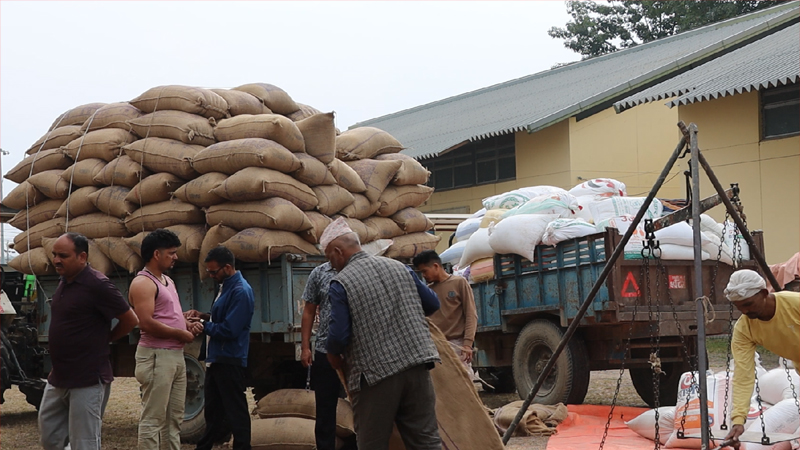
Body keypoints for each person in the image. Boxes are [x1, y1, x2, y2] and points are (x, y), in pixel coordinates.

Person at [322, 217, 442, 450]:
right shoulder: (400, 268)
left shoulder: (341, 282)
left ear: (338, 251)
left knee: (372, 443)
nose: (331, 265)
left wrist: (333, 355)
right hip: (417, 366)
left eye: (330, 258)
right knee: (426, 441)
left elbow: (338, 335)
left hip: (376, 375)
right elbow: (431, 304)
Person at [38, 233, 139, 450]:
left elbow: (130, 320)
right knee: (51, 439)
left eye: (63, 255)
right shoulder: (64, 282)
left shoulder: (98, 284)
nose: (56, 260)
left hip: (88, 377)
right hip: (59, 377)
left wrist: (107, 339)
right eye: (54, 255)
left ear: (82, 257)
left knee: (84, 443)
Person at [129, 229, 202, 450]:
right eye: (171, 253)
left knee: (174, 420)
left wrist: (186, 324)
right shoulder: (143, 283)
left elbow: (170, 316)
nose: (175, 257)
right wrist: (179, 333)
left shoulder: (167, 281)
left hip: (175, 356)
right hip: (156, 356)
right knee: (153, 419)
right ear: (156, 254)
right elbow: (146, 322)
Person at [185, 246, 255, 450]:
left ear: (227, 267)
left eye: (213, 271)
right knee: (213, 410)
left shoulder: (241, 291)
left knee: (235, 410)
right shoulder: (225, 285)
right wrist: (203, 316)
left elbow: (230, 329)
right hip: (217, 357)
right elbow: (222, 317)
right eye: (209, 271)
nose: (210, 275)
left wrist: (203, 326)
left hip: (230, 358)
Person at [722, 269, 799, 449]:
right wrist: (738, 420)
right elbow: (743, 376)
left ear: (765, 293)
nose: (744, 310)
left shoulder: (795, 304)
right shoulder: (744, 329)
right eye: (738, 306)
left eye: (748, 304)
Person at [412, 250, 478, 375]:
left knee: (462, 383)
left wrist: (467, 344)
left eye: (425, 271)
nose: (424, 275)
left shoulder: (459, 283)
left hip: (457, 345)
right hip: (436, 346)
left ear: (436, 266)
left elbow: (471, 314)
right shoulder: (428, 292)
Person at [300, 261, 343, 450]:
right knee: (325, 408)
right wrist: (305, 347)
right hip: (325, 350)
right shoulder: (319, 273)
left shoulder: (359, 269)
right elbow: (309, 310)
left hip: (356, 353)